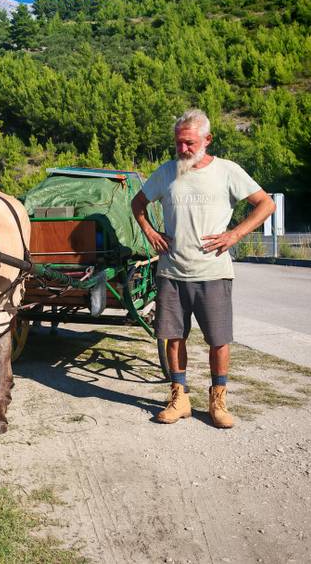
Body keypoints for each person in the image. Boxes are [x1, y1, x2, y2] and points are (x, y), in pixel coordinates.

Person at [131, 109, 275, 428]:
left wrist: (235, 234)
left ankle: (218, 402)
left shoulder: (227, 171)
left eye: (189, 143)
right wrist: (151, 233)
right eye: (178, 143)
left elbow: (266, 204)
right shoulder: (167, 172)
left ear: (207, 140)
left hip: (213, 273)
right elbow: (137, 203)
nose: (182, 149)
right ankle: (179, 398)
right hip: (171, 272)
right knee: (173, 337)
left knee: (219, 340)